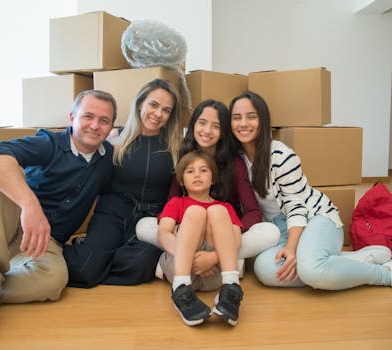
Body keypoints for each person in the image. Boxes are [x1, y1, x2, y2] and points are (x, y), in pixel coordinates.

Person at [0, 90, 117, 349]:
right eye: (88, 116)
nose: (95, 125)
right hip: (7, 224)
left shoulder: (107, 159)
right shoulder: (49, 143)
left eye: (104, 121)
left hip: (43, 242)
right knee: (5, 176)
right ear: (72, 117)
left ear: (110, 128)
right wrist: (30, 205)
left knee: (53, 282)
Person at [229, 90, 392, 295]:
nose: (243, 123)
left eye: (251, 116)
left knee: (312, 271)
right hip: (279, 228)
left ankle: (386, 274)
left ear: (263, 120)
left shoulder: (281, 155)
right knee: (264, 270)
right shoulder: (237, 158)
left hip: (314, 217)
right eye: (236, 118)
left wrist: (292, 247)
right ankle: (348, 261)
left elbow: (296, 207)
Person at [136, 99, 280, 284]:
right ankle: (224, 261)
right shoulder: (183, 157)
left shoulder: (234, 163)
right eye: (202, 123)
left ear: (223, 132)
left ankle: (207, 260)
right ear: (193, 124)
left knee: (270, 232)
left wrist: (219, 246)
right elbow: (170, 205)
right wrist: (182, 228)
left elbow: (253, 211)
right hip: (187, 230)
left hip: (221, 232)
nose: (207, 131)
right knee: (144, 226)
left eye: (216, 126)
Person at [64, 79, 183, 287]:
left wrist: (169, 222)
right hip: (113, 213)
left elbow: (176, 192)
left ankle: (99, 256)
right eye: (153, 105)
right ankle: (90, 254)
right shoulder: (114, 137)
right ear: (140, 104)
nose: (158, 114)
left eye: (166, 110)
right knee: (84, 271)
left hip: (150, 220)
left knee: (138, 266)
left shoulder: (176, 147)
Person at [158, 150, 243, 326]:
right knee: (195, 212)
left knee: (217, 211)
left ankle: (231, 287)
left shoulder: (225, 207)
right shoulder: (176, 203)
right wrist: (190, 259)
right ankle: (180, 290)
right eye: (190, 171)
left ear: (213, 178)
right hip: (181, 269)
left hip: (214, 272)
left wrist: (211, 258)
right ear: (181, 180)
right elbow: (164, 233)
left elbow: (235, 241)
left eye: (203, 170)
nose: (197, 175)